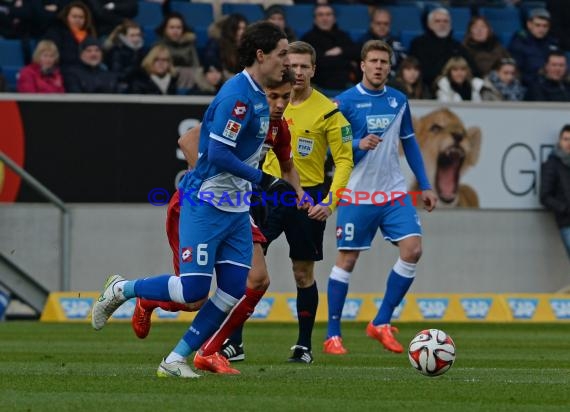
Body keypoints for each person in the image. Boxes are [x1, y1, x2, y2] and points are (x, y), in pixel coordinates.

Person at [91, 21, 290, 378]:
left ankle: (176, 359)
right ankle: (122, 289)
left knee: (232, 291)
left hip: (236, 210)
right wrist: (266, 180)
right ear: (261, 55)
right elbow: (217, 154)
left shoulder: (260, 95)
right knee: (193, 289)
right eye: (282, 53)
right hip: (206, 204)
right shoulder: (237, 96)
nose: (286, 61)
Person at [221, 41, 354, 364]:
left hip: (303, 196)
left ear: (313, 70)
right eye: (291, 65)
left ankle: (304, 345)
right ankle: (233, 343)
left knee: (302, 272)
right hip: (263, 193)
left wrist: (330, 202)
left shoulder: (329, 111)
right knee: (248, 271)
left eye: (303, 66)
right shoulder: (265, 101)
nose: (296, 72)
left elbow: (345, 160)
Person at [323, 39, 437, 356]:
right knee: (347, 260)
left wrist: (425, 184)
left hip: (393, 193)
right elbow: (329, 151)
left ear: (389, 66)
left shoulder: (399, 100)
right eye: (373, 61)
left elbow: (411, 144)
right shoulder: (344, 102)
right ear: (362, 65)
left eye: (383, 62)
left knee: (413, 250)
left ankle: (381, 322)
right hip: (357, 193)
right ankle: (333, 335)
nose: (378, 66)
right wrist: (358, 144)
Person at [409, 7, 477, 87]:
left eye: (446, 21)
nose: (442, 24)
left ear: (450, 24)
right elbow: (418, 70)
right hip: (427, 88)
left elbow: (473, 70)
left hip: (456, 88)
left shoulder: (457, 46)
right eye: (437, 21)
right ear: (429, 24)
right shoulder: (418, 44)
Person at [300, 4, 359, 94]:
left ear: (334, 18)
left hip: (347, 85)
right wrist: (348, 62)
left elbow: (357, 53)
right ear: (315, 19)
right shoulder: (307, 39)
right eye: (320, 15)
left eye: (328, 14)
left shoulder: (343, 36)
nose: (325, 18)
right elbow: (317, 63)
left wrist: (340, 50)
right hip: (319, 87)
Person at [155, 12, 205, 91]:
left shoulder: (190, 46)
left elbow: (196, 67)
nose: (175, 31)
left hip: (190, 85)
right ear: (165, 29)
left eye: (179, 27)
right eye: (172, 27)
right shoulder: (158, 46)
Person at [508, 7, 559, 87]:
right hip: (530, 86)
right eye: (538, 25)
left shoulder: (553, 43)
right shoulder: (519, 43)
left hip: (553, 83)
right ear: (529, 25)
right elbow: (517, 71)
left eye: (545, 26)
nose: (541, 29)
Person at [540, 124, 570, 259]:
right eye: (566, 139)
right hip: (567, 223)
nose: (569, 143)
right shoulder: (552, 164)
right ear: (559, 141)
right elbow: (544, 196)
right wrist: (565, 208)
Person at [43, 1, 98, 68]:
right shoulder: (56, 33)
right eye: (74, 17)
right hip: (66, 69)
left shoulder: (89, 34)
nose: (78, 20)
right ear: (66, 17)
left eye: (81, 17)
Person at [358, 7, 407, 77]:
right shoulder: (363, 43)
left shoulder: (396, 43)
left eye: (386, 24)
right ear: (371, 24)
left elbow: (406, 64)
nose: (382, 27)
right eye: (378, 23)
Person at [203, 13, 248, 82]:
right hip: (222, 80)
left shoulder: (247, 45)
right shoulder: (216, 43)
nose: (242, 32)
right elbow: (211, 61)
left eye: (244, 29)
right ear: (231, 29)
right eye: (238, 29)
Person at [103, 20, 146, 92]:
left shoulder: (143, 51)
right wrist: (135, 67)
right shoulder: (116, 52)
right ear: (123, 36)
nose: (136, 39)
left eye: (138, 35)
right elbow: (117, 75)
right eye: (132, 35)